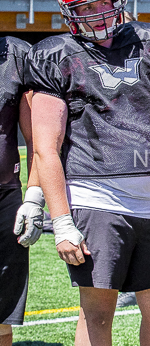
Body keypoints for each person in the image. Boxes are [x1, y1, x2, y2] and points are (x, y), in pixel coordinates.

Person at [27, 0, 150, 345]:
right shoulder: (55, 53)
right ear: (69, 13)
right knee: (97, 314)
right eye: (85, 7)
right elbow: (46, 147)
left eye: (104, 2)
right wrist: (60, 219)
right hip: (93, 195)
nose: (98, 14)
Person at [0, 36, 43, 346]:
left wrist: (33, 196)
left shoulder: (16, 55)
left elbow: (38, 140)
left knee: (2, 308)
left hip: (5, 195)